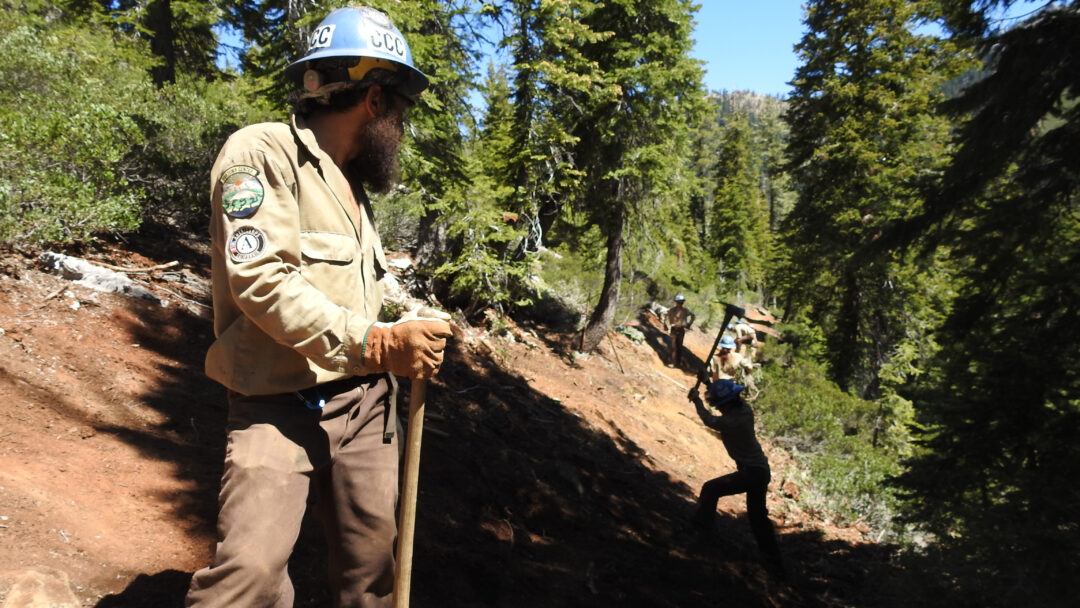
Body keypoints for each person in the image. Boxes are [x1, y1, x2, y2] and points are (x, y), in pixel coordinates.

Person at [185, 7, 452, 607]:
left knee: (374, 577)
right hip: (275, 406)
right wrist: (379, 343)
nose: (401, 125)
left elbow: (343, 292)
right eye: (401, 109)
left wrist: (403, 328)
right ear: (375, 100)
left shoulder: (350, 187)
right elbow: (260, 278)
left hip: (367, 409)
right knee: (248, 578)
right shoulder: (262, 154)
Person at [687, 378, 786, 579]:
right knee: (757, 517)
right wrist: (708, 383)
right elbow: (722, 399)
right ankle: (774, 561)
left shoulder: (731, 422)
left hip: (752, 472)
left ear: (726, 404)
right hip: (759, 470)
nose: (719, 408)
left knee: (711, 489)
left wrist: (697, 401)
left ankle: (702, 530)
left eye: (720, 404)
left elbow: (709, 420)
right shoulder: (745, 410)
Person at [663, 293, 695, 367]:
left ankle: (678, 362)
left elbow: (693, 316)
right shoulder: (672, 310)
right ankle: (671, 362)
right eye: (678, 302)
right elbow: (665, 315)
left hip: (681, 330)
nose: (680, 303)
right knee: (672, 346)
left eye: (681, 302)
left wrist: (689, 324)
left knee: (679, 346)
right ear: (676, 302)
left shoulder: (685, 310)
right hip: (674, 329)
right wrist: (665, 324)